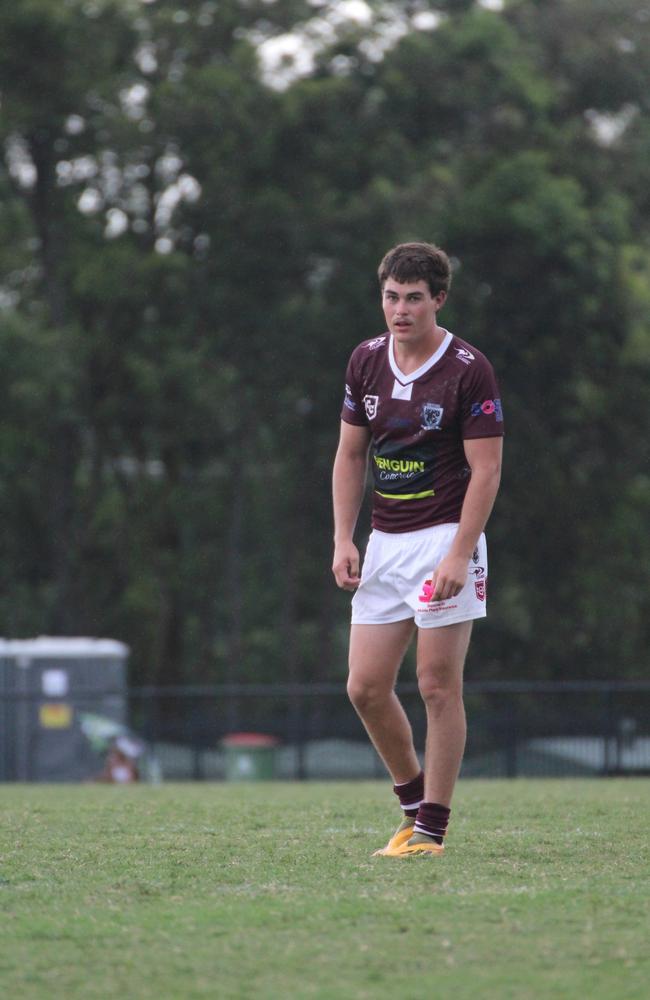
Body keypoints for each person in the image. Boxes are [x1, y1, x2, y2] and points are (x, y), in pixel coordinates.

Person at [332, 242, 503, 856]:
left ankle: (431, 831)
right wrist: (342, 537)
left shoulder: (468, 367)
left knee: (436, 686)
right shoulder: (365, 361)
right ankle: (412, 808)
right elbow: (351, 455)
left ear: (438, 300)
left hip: (443, 539)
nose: (400, 310)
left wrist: (459, 553)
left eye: (413, 298)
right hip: (384, 542)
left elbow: (486, 471)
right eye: (391, 297)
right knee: (365, 688)